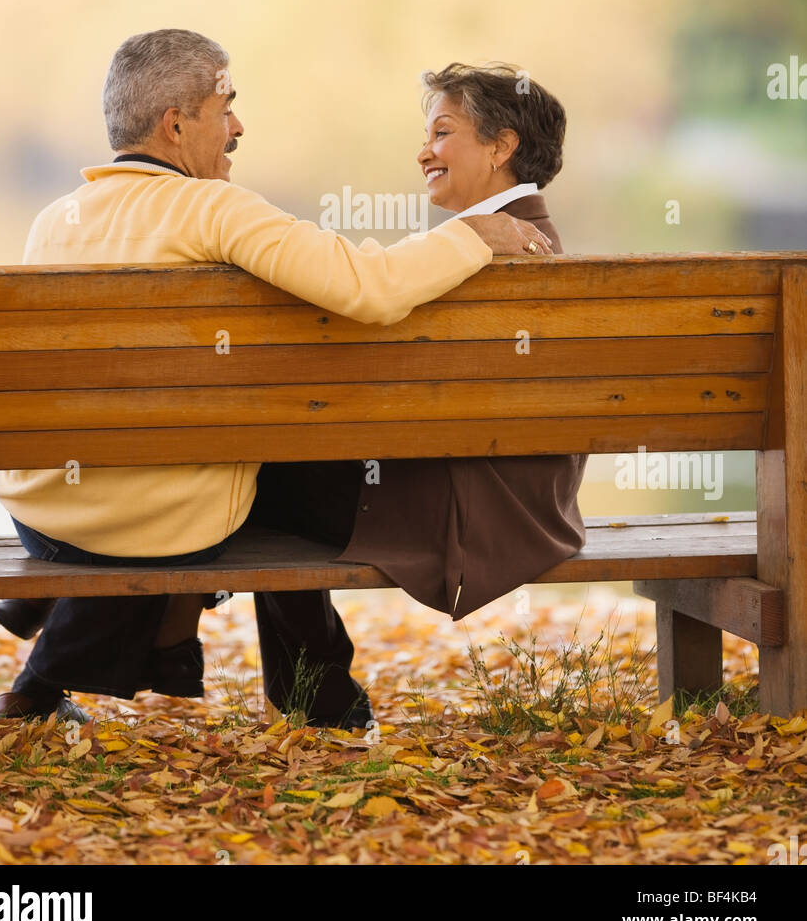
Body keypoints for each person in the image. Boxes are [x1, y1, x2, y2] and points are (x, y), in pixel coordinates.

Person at [0, 32, 551, 726]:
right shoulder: (217, 211)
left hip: (42, 516)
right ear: (175, 126)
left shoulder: (54, 221)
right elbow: (366, 286)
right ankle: (309, 692)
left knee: (259, 456)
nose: (238, 126)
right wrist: (474, 236)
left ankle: (82, 658)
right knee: (274, 466)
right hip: (153, 524)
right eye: (225, 107)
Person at [247, 62, 587, 706]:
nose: (424, 150)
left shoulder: (499, 256)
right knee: (270, 466)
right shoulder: (520, 239)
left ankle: (308, 692)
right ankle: (310, 693)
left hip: (475, 506)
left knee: (253, 476)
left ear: (501, 147)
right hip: (514, 494)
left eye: (443, 131)